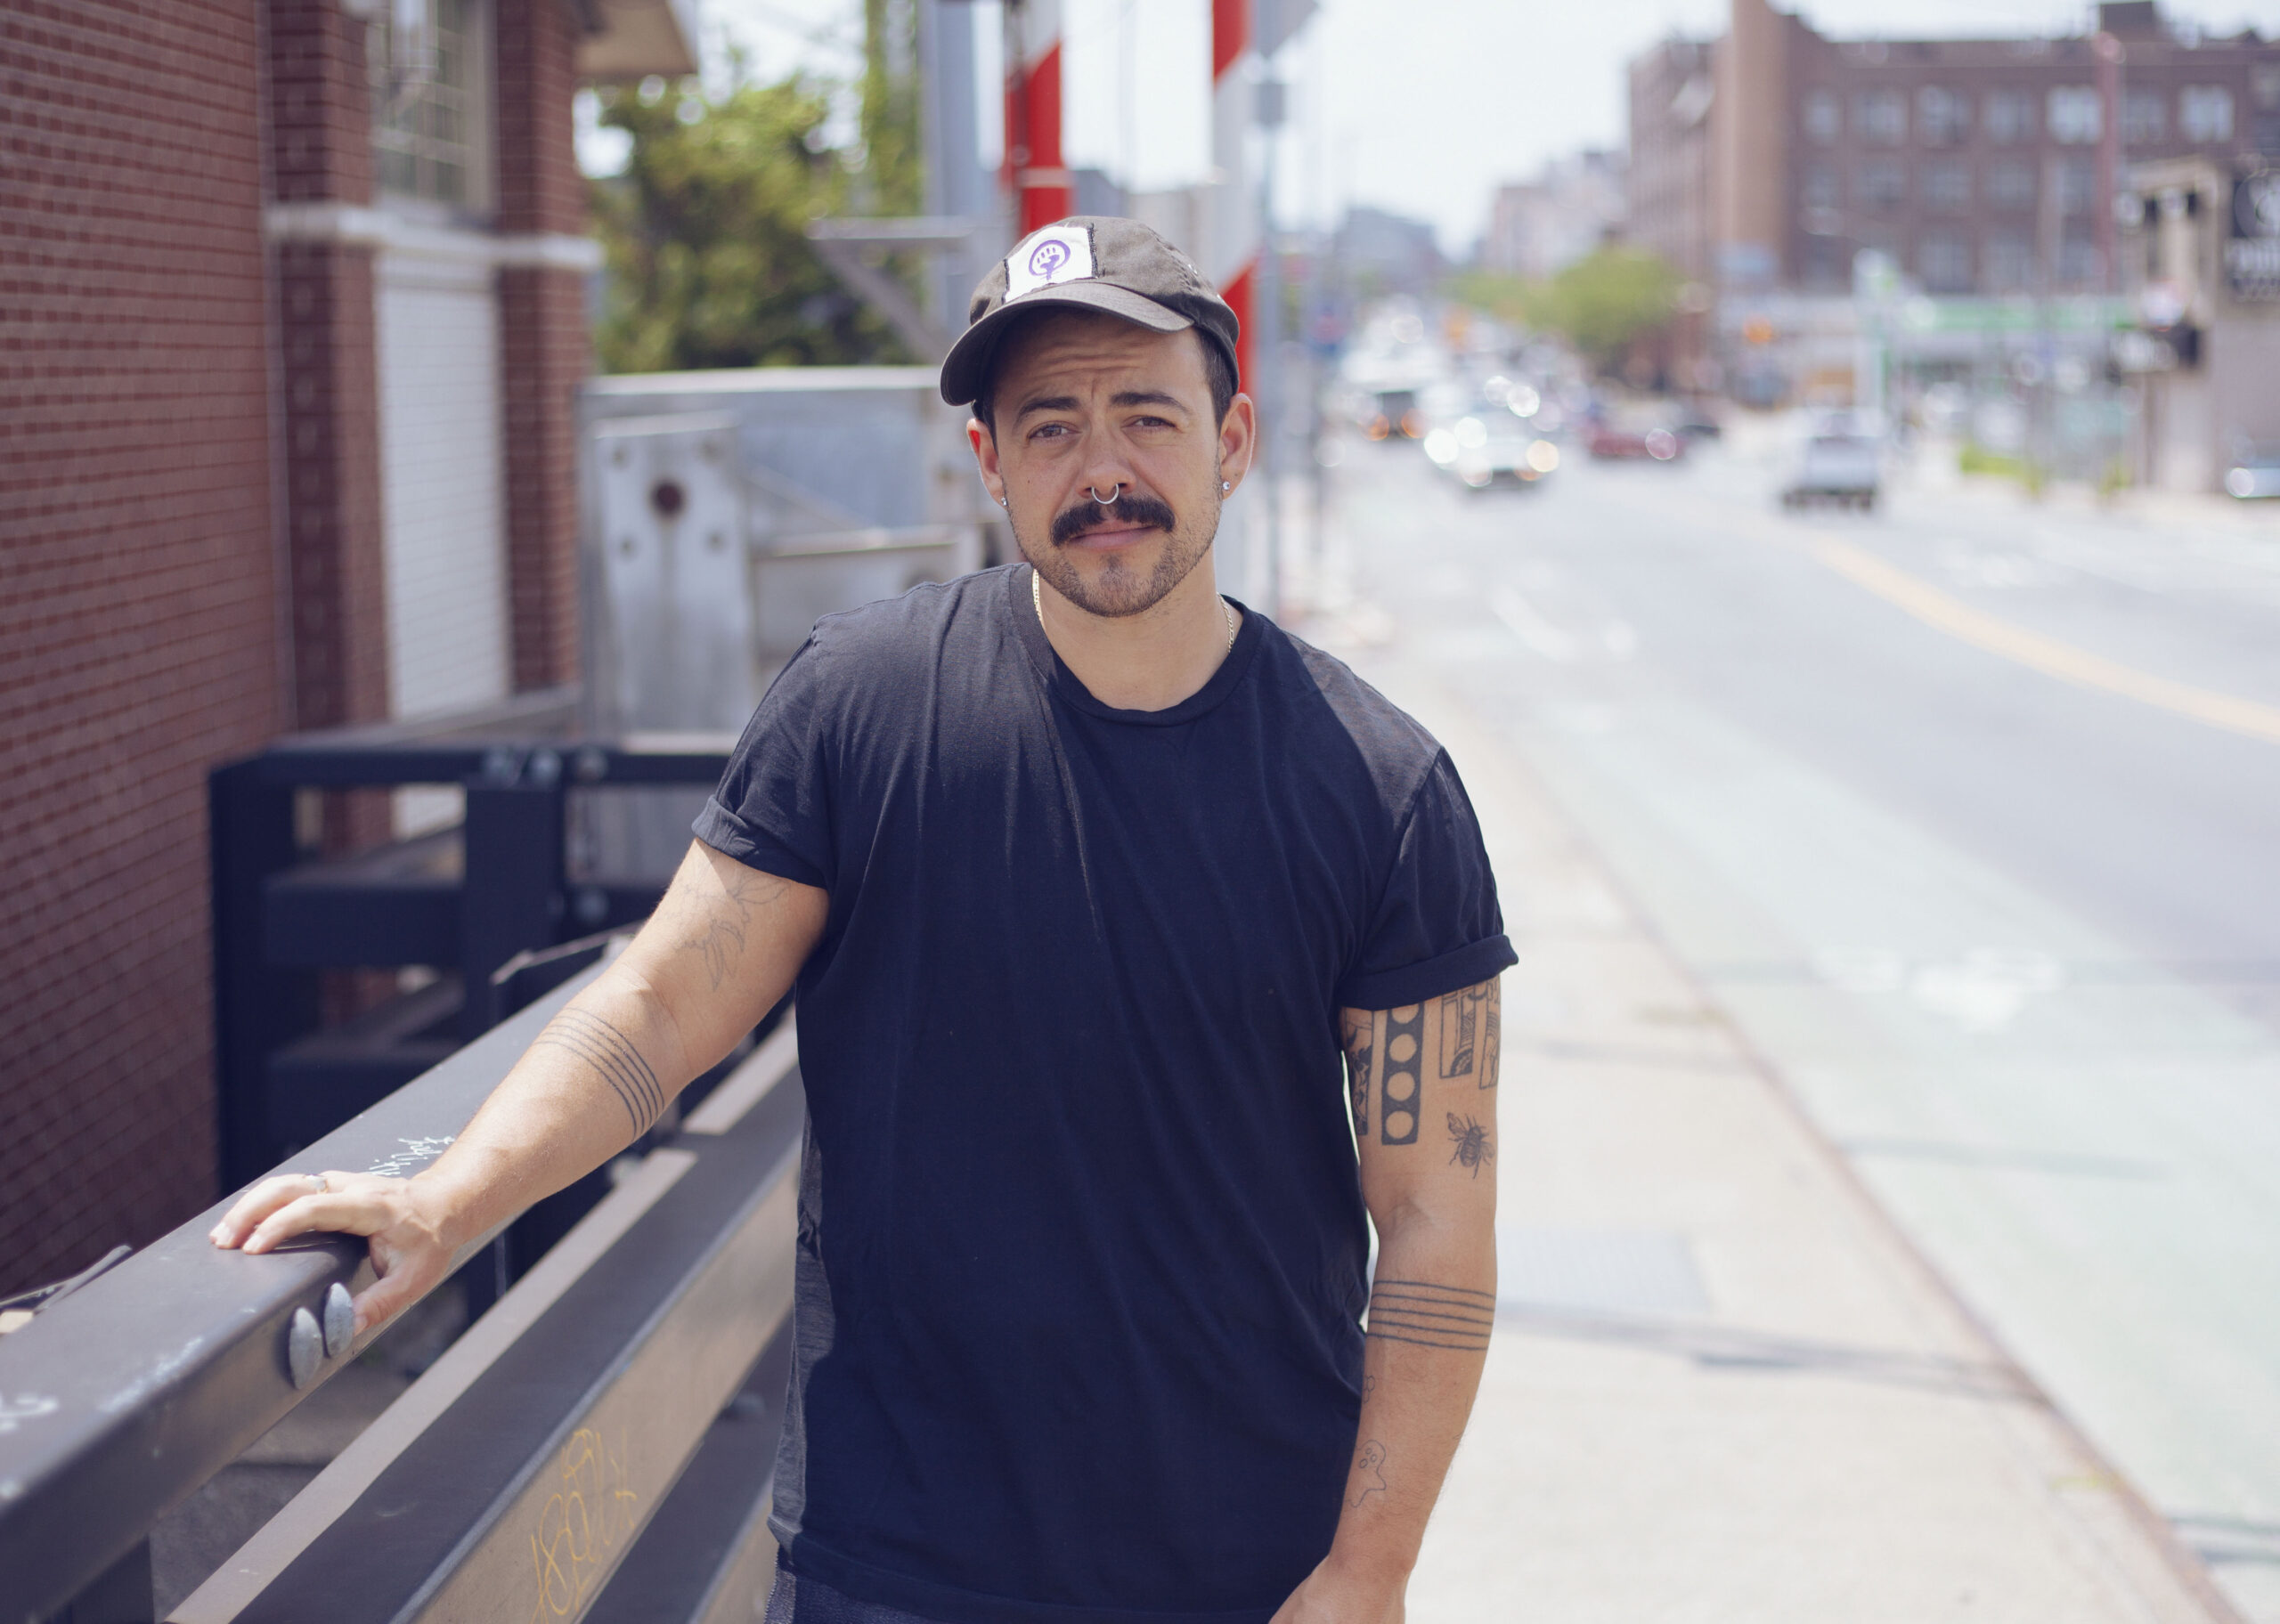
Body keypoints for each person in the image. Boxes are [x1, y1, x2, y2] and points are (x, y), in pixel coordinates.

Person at [212, 216, 1513, 1624]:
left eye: (1148, 416)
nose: (1104, 470)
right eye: (1053, 426)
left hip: (1247, 1570)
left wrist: (1371, 1568)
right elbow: (663, 1004)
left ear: (1233, 442)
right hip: (893, 1560)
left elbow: (1433, 1219)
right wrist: (447, 1201)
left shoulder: (1380, 787)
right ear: (990, 462)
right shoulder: (861, 707)